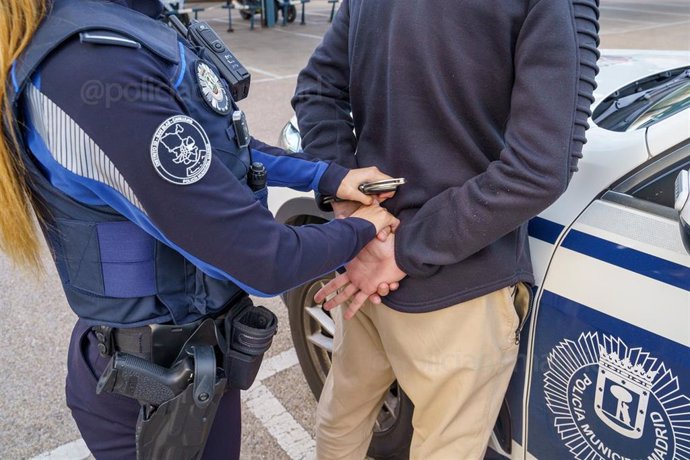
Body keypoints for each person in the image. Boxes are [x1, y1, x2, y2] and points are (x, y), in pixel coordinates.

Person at [0, 0, 400, 458]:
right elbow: (263, 259)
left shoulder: (132, 25)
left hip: (189, 364)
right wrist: (364, 229)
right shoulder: (93, 64)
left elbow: (215, 150)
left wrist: (327, 176)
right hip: (151, 388)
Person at [292, 0, 600, 458]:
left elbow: (317, 89)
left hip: (367, 261)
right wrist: (400, 249)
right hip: (458, 283)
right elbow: (539, 168)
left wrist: (356, 209)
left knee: (343, 416)